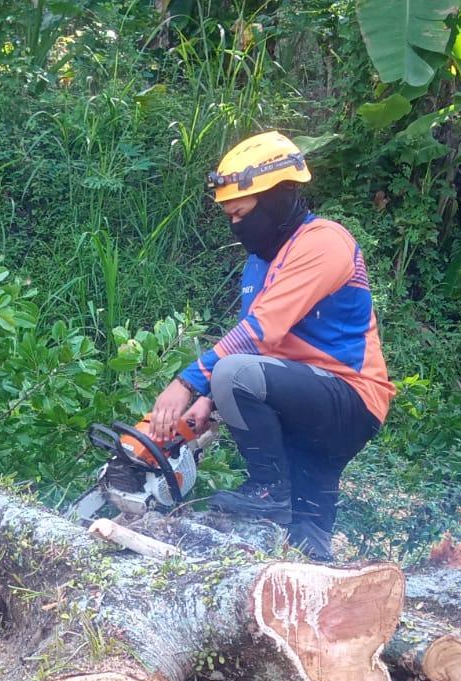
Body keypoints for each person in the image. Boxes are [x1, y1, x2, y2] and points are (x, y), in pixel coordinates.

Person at [149, 131, 395, 562]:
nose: (236, 224)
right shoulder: (259, 262)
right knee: (306, 542)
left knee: (233, 373)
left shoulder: (323, 243)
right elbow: (261, 347)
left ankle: (267, 489)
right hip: (302, 400)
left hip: (347, 398)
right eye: (229, 216)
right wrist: (209, 400)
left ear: (278, 197)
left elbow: (259, 333)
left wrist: (188, 384)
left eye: (242, 213)